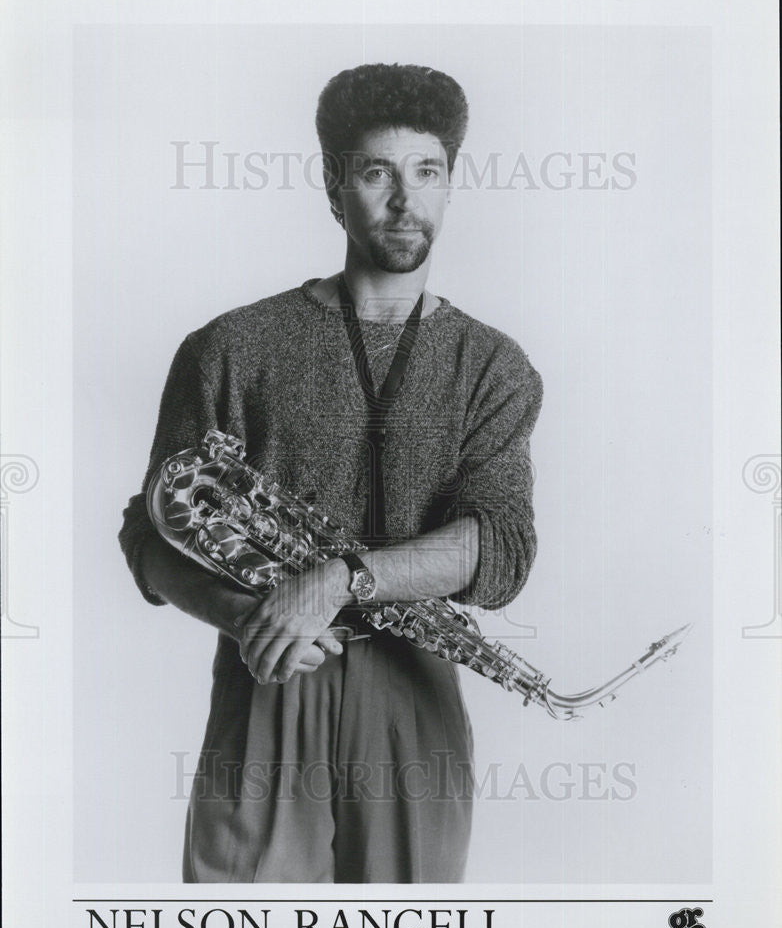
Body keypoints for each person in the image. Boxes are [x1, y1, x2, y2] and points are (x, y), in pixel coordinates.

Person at [118, 62, 543, 883]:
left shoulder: (494, 365)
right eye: (376, 171)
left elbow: (501, 549)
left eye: (428, 172)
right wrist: (244, 616)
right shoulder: (232, 346)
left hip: (416, 698)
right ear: (331, 185)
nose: (403, 199)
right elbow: (150, 532)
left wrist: (338, 580)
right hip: (268, 674)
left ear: (451, 186)